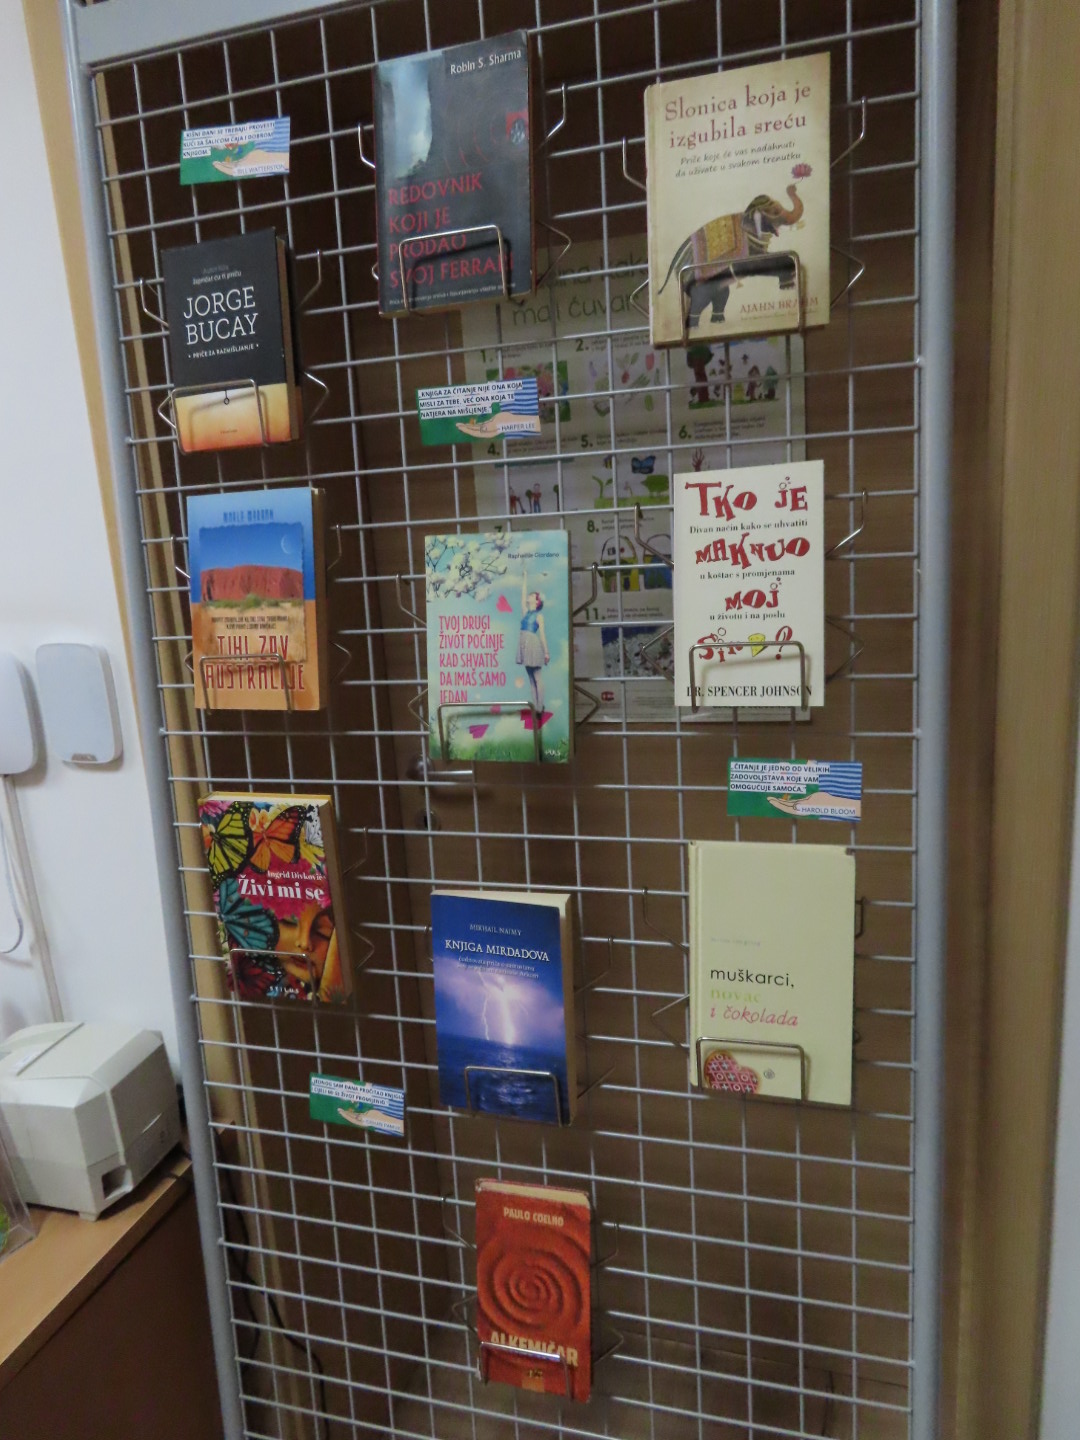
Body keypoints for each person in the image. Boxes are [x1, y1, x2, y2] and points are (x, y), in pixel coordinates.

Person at [516, 567, 550, 715]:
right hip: (524, 643)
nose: (528, 596)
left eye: (532, 595)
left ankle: (540, 706)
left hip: (533, 644)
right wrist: (524, 577)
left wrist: (546, 653)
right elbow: (522, 595)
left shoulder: (539, 616)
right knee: (530, 679)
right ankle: (536, 707)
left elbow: (542, 635)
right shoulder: (525, 612)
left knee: (537, 677)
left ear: (536, 601)